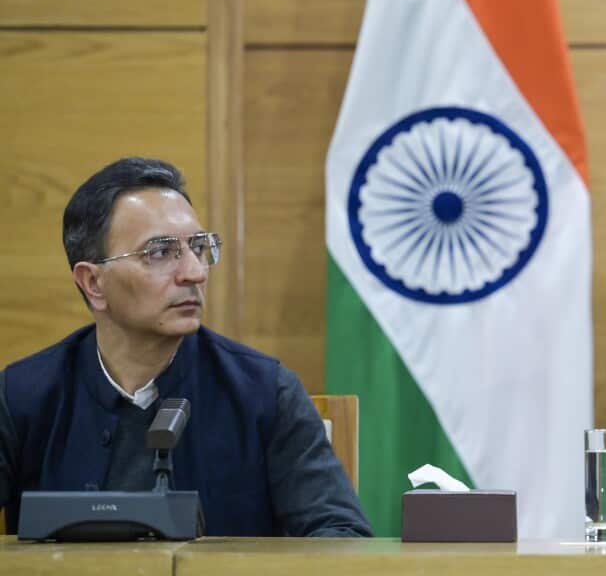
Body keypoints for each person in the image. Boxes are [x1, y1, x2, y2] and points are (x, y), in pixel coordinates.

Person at [0, 157, 372, 537]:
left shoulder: (263, 392)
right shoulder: (22, 397)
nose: (194, 272)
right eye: (160, 252)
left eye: (198, 247)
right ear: (93, 283)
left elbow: (341, 536)